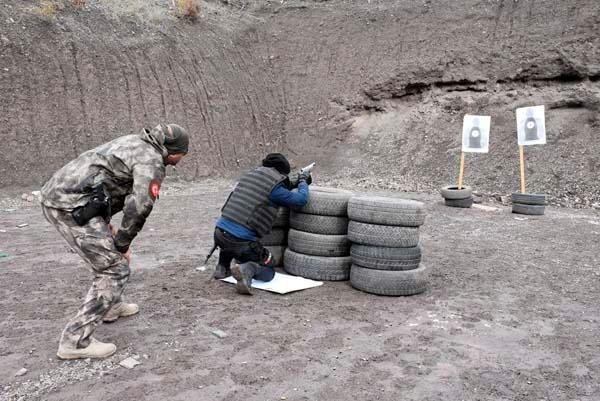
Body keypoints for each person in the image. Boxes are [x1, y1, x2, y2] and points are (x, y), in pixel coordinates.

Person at [40, 123, 189, 360]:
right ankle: (75, 341)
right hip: (69, 206)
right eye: (183, 154)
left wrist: (108, 227)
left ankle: (111, 306)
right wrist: (122, 242)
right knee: (114, 268)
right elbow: (140, 206)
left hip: (75, 198)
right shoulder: (151, 161)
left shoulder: (135, 141)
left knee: (114, 255)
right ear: (173, 152)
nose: (182, 158)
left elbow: (104, 179)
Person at [212, 153, 311, 294]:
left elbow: (275, 189)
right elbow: (300, 200)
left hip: (219, 233)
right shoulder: (276, 189)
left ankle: (222, 267)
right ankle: (248, 269)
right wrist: (303, 182)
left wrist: (297, 180)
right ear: (281, 172)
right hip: (241, 242)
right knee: (268, 270)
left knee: (230, 234)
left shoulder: (249, 176)